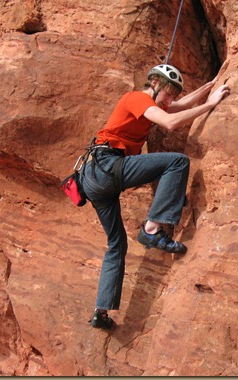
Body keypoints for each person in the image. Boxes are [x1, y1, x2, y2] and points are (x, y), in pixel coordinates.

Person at [81, 64, 230, 329]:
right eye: (168, 92)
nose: (170, 99)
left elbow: (179, 105)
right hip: (107, 167)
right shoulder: (137, 97)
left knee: (116, 245)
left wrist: (211, 85)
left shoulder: (152, 105)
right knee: (177, 162)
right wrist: (211, 104)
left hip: (94, 179)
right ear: (154, 84)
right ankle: (151, 228)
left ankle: (100, 312)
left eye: (173, 95)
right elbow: (172, 122)